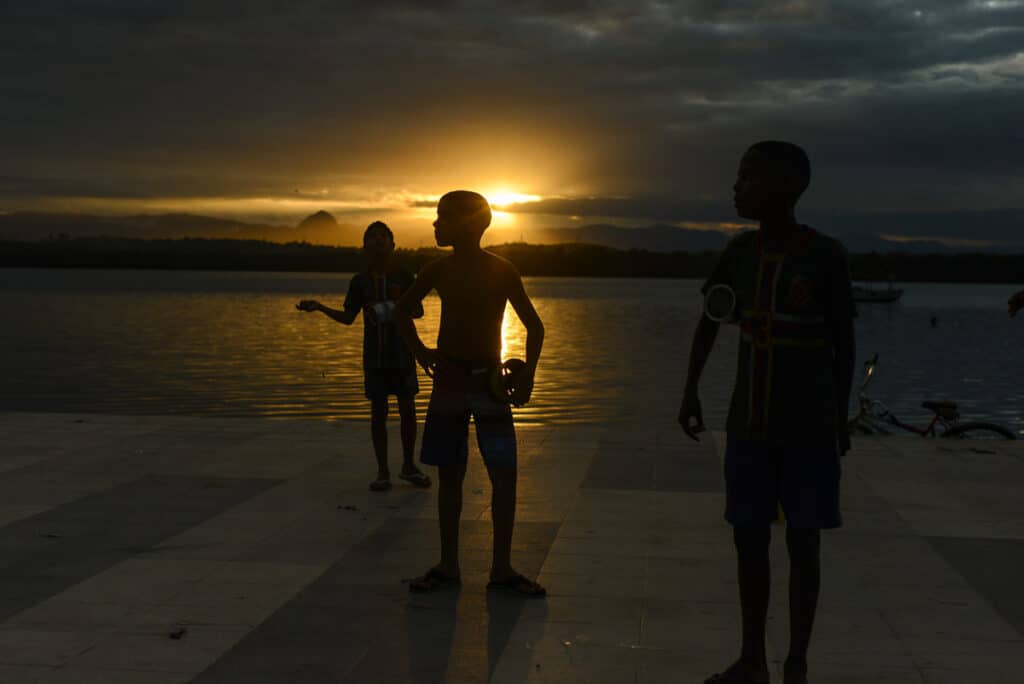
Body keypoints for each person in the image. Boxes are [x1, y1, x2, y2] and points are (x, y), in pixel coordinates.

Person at [678, 141, 856, 684]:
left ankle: (796, 660)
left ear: (780, 188)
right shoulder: (738, 254)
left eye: (745, 178)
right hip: (748, 426)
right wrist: (690, 390)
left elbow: (845, 343)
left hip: (809, 427)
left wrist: (840, 417)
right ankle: (752, 657)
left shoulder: (824, 255)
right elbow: (711, 319)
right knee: (748, 537)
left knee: (804, 539)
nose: (735, 189)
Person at [394, 190, 546, 597]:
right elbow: (401, 311)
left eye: (443, 217)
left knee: (504, 477)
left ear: (469, 224)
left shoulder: (502, 271)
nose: (435, 223)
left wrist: (528, 374)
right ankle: (448, 564)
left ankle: (501, 568)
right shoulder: (437, 270)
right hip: (449, 386)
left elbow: (534, 326)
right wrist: (422, 352)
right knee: (449, 477)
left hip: (489, 386)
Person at [297, 221, 431, 492]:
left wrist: (391, 309)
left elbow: (418, 312)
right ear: (365, 246)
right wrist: (320, 307)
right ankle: (383, 472)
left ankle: (408, 466)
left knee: (408, 410)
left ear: (393, 244)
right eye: (373, 237)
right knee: (378, 413)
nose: (378, 241)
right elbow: (349, 318)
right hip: (375, 358)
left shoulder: (405, 277)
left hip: (402, 354)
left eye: (383, 237)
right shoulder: (360, 282)